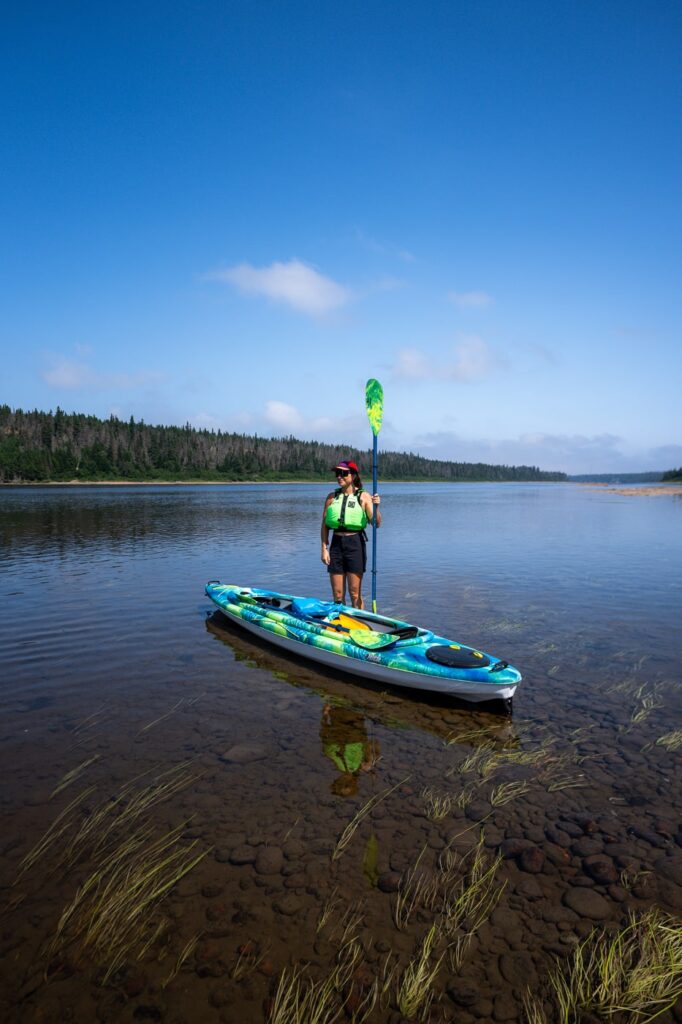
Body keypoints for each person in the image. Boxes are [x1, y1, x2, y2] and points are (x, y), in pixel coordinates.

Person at [321, 459, 381, 608]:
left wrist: (377, 507)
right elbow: (324, 526)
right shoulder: (331, 498)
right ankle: (340, 624)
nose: (339, 477)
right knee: (338, 594)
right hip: (336, 545)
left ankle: (360, 623)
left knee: (355, 593)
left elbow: (376, 523)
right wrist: (324, 549)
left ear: (353, 476)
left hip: (355, 544)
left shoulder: (364, 497)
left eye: (343, 473)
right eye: (337, 473)